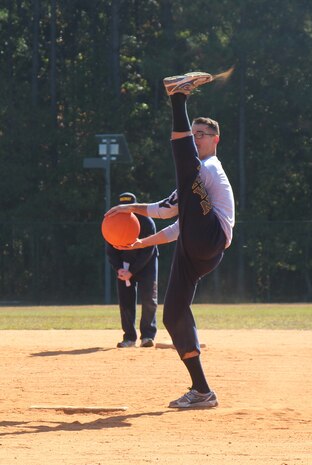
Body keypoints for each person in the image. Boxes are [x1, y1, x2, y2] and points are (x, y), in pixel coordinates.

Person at [105, 69, 235, 408]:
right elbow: (175, 222)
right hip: (196, 246)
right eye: (193, 134)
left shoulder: (207, 170)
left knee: (187, 167)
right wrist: (139, 242)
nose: (197, 139)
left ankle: (178, 98)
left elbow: (170, 209)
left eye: (202, 135)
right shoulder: (194, 185)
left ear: (215, 140)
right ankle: (202, 390)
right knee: (173, 314)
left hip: (211, 239)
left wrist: (130, 207)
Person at [106, 192, 158, 348]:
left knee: (149, 298)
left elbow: (148, 250)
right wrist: (119, 269)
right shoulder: (112, 222)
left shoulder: (146, 222)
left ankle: (147, 336)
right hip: (124, 266)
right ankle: (129, 337)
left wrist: (133, 271)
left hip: (146, 264)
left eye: (129, 207)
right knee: (125, 300)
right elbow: (111, 250)